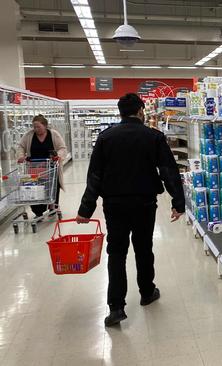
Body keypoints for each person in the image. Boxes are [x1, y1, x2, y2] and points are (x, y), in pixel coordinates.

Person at [76, 93, 185, 327]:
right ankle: (147, 292)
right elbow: (168, 170)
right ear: (140, 111)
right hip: (144, 203)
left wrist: (86, 209)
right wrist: (178, 202)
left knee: (116, 253)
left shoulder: (106, 138)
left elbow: (95, 175)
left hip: (114, 204)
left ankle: (116, 307)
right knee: (144, 248)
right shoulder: (153, 136)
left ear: (120, 112)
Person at [16, 114, 67, 217]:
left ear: (45, 125)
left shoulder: (53, 134)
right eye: (34, 127)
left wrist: (58, 156)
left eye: (38, 126)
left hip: (51, 167)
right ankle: (38, 211)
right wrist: (21, 156)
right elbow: (21, 146)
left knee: (52, 187)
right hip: (34, 168)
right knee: (36, 189)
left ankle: (53, 206)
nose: (35, 129)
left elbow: (62, 148)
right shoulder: (29, 135)